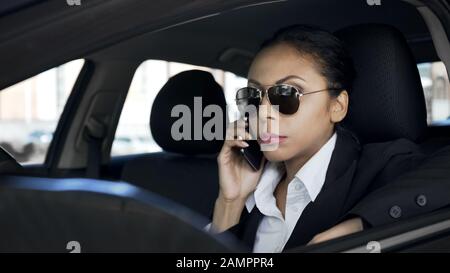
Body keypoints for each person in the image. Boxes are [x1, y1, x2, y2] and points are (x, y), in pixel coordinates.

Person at [207, 25, 429, 252]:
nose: (263, 113)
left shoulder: (384, 166)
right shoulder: (251, 188)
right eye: (253, 97)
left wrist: (359, 226)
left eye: (287, 94)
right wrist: (230, 202)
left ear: (337, 106)